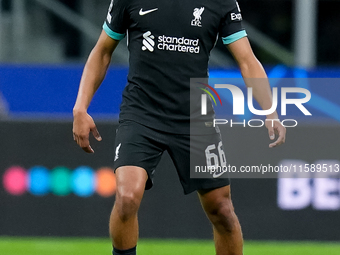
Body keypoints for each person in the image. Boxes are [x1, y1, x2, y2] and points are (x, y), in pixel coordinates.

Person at [73, 0, 286, 254]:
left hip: (195, 117)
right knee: (127, 197)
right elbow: (102, 51)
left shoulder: (222, 3)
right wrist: (80, 107)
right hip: (142, 112)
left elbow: (247, 61)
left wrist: (269, 110)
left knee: (222, 210)